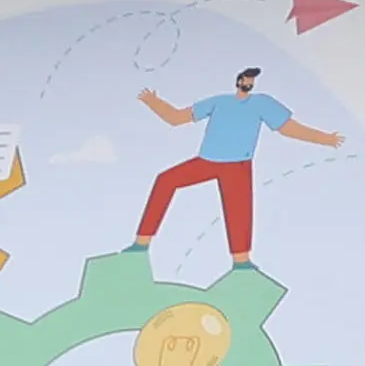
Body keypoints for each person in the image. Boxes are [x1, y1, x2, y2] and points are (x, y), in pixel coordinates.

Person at [133, 63, 338, 266]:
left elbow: (288, 128)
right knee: (165, 180)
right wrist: (154, 102)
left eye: (252, 80)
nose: (249, 82)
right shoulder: (219, 101)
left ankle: (241, 263)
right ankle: (142, 242)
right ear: (239, 81)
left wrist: (324, 139)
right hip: (207, 161)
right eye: (246, 79)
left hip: (237, 166)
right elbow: (176, 118)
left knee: (238, 211)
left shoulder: (262, 103)